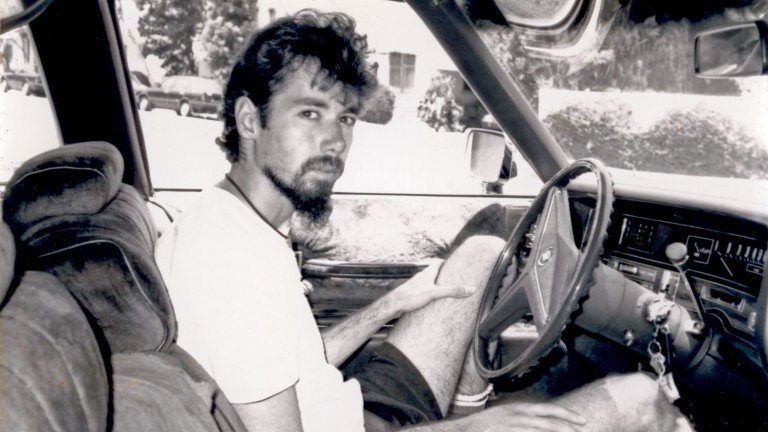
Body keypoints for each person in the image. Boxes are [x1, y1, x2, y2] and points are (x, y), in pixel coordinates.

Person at [155, 9, 689, 432]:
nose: (335, 139)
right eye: (309, 113)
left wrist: (393, 303)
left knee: (479, 258)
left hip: (349, 408)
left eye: (345, 118)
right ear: (250, 119)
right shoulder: (232, 259)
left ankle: (464, 404)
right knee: (642, 399)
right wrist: (478, 428)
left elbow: (291, 362)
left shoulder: (235, 223)